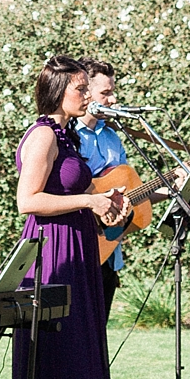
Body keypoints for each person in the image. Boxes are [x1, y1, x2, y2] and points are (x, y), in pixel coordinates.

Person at [8, 57, 147, 379]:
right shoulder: (42, 137)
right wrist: (89, 201)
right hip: (53, 252)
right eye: (81, 89)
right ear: (57, 91)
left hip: (80, 248)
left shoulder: (65, 136)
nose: (87, 96)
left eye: (88, 89)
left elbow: (86, 190)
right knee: (54, 350)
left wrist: (112, 203)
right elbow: (27, 201)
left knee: (80, 348)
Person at [74, 58, 127, 320]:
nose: (113, 100)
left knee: (99, 340)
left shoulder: (112, 137)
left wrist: (173, 184)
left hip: (108, 249)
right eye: (105, 93)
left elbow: (129, 192)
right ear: (86, 94)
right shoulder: (66, 136)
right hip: (78, 249)